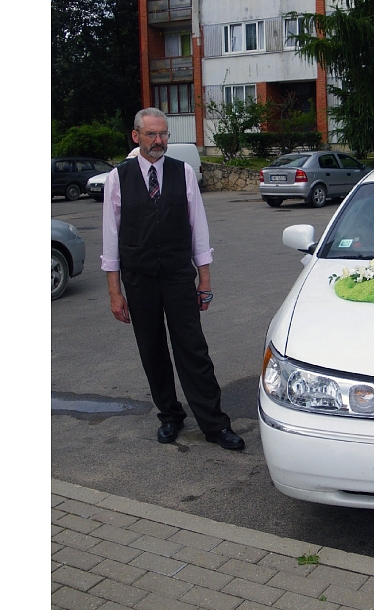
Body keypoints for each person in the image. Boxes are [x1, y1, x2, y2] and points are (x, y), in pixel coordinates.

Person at [100, 108, 244, 450]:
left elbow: (199, 230)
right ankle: (169, 415)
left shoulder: (184, 173)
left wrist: (204, 280)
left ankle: (214, 424)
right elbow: (110, 238)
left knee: (193, 349)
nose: (159, 141)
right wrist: (114, 293)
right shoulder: (118, 178)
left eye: (163, 134)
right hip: (139, 278)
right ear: (136, 136)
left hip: (179, 276)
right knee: (152, 351)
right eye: (151, 134)